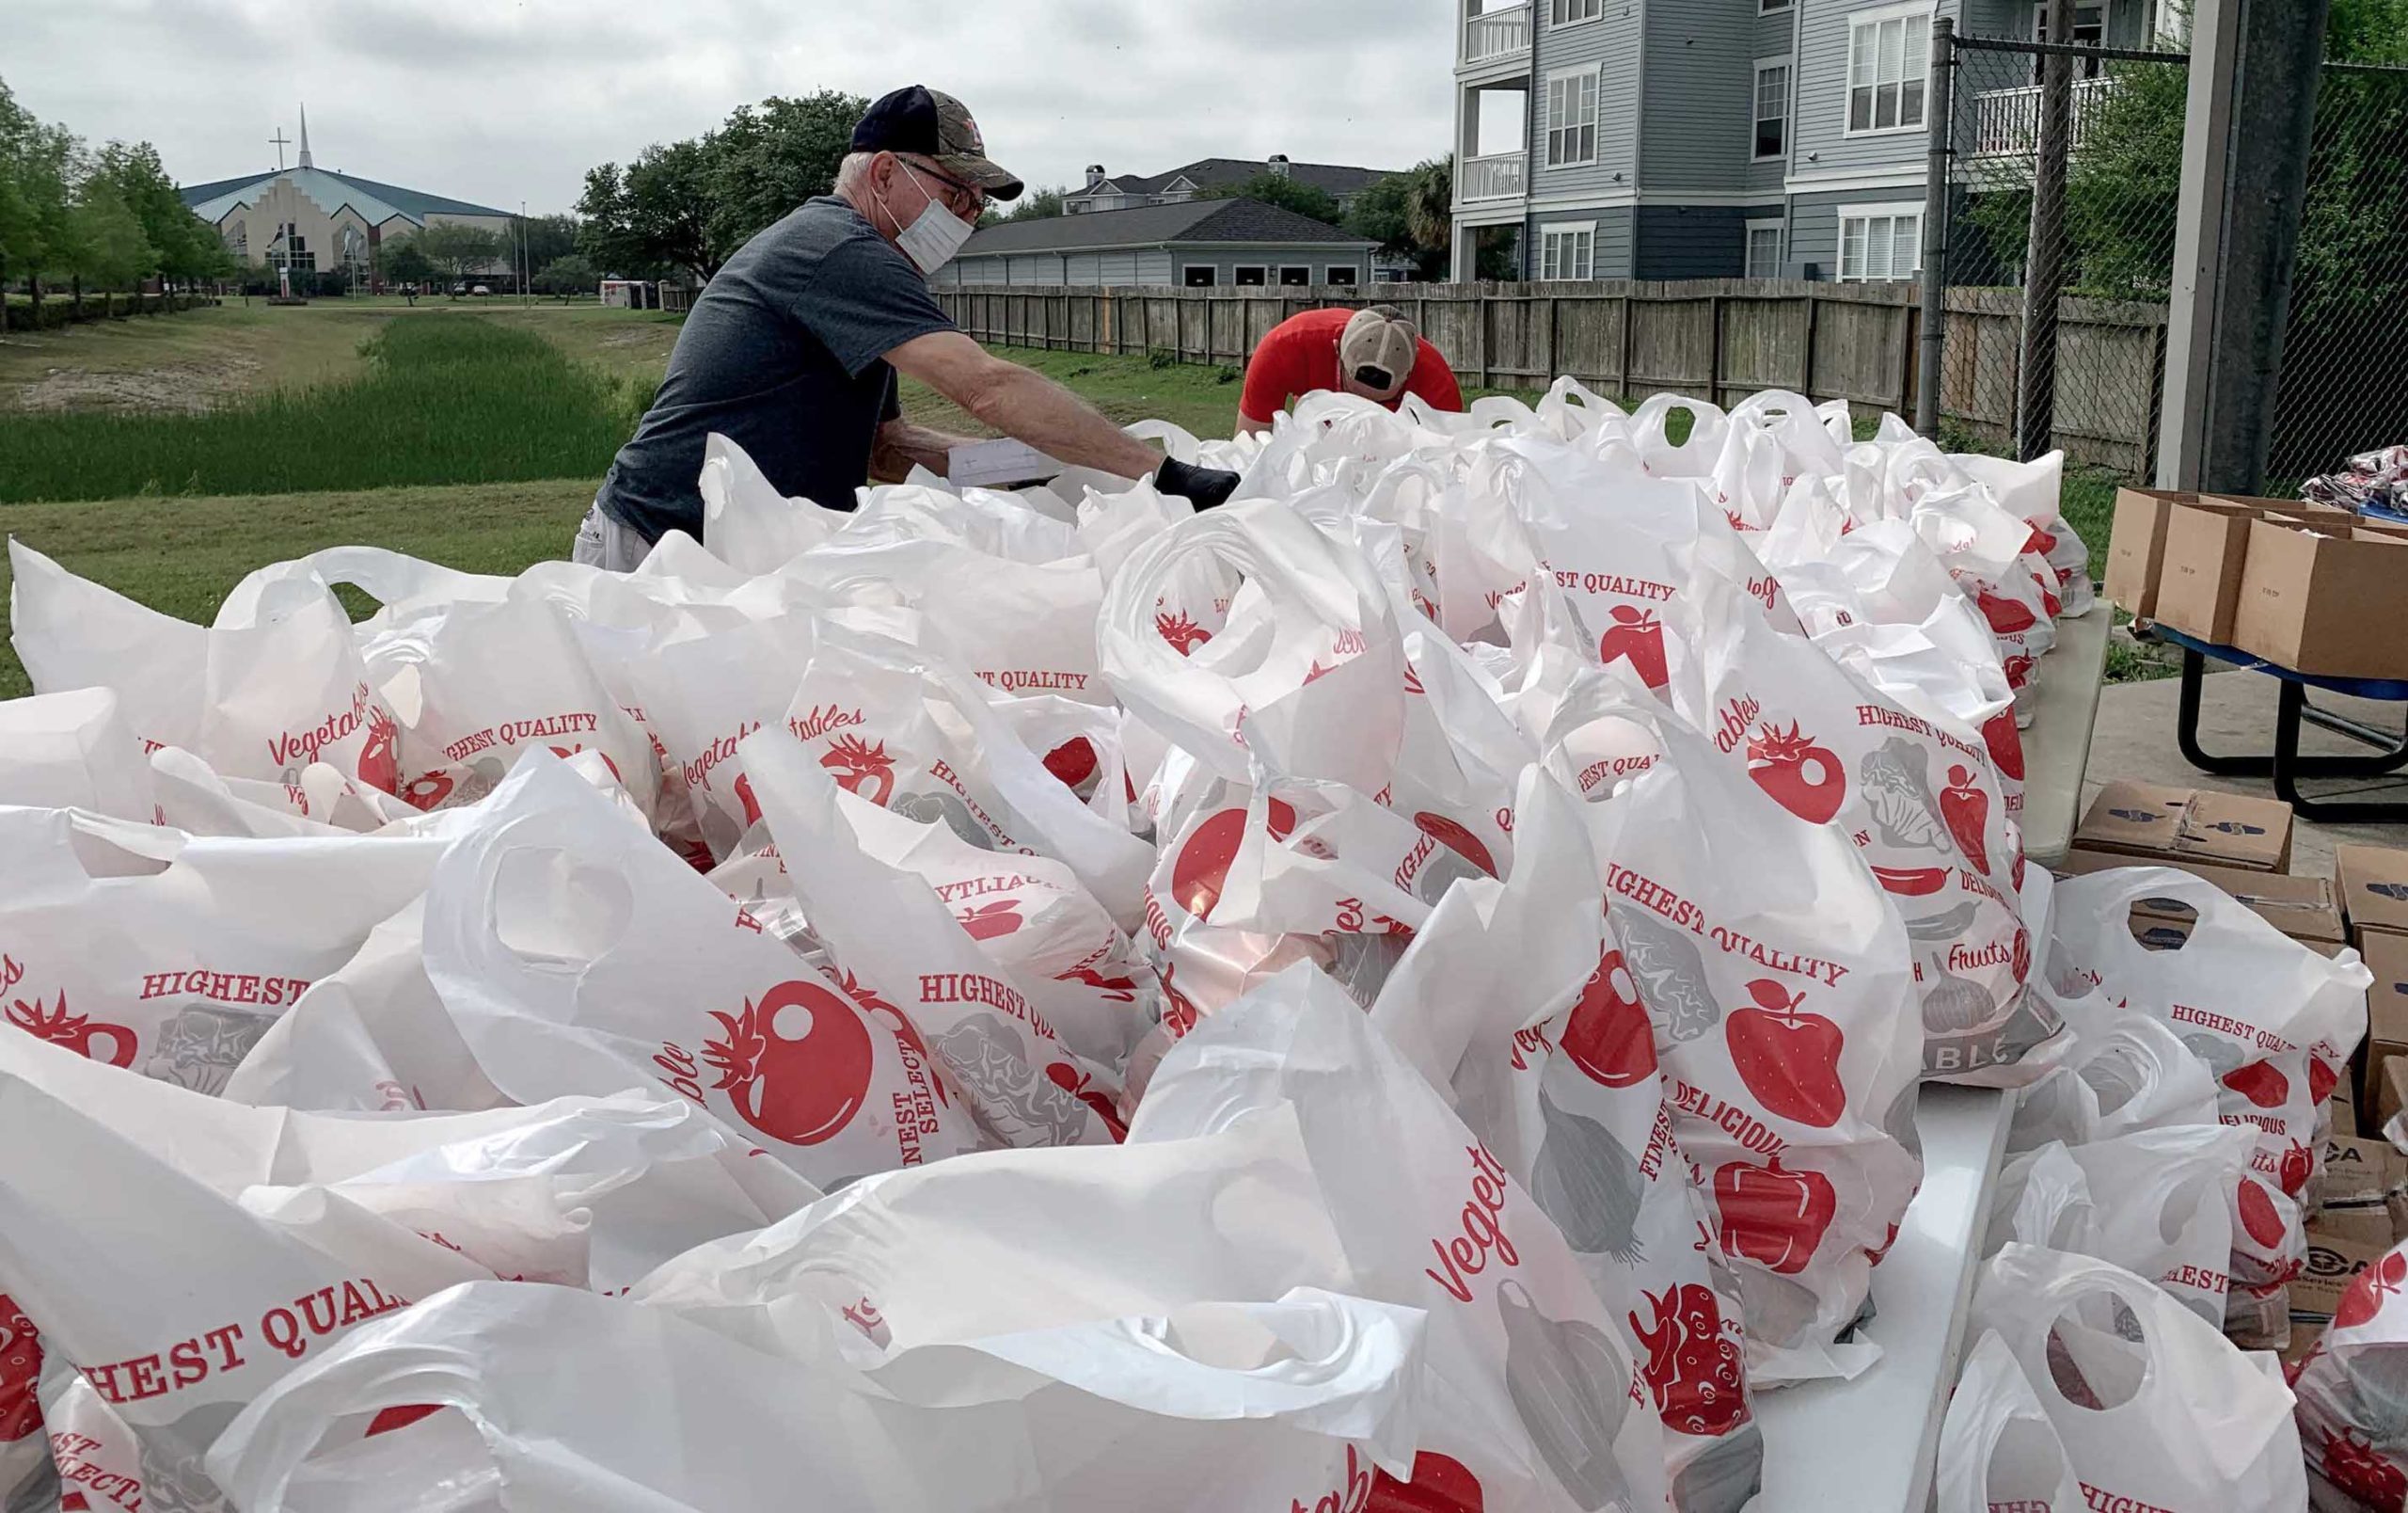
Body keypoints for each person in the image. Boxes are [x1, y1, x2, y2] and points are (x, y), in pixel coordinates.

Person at [573, 85, 1241, 569]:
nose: (968, 215)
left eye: (978, 205)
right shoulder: (838, 248)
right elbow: (984, 385)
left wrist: (1041, 462)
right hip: (659, 544)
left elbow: (886, 449)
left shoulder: (855, 260)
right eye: (956, 194)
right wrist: (1162, 474)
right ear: (887, 173)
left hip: (733, 547)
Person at [1233, 304, 1463, 437]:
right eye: (1352, 396)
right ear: (1336, 351)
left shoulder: (1437, 384)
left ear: (1410, 373)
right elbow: (1247, 448)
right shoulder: (1285, 348)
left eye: (1378, 404)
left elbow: (1446, 470)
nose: (1358, 412)